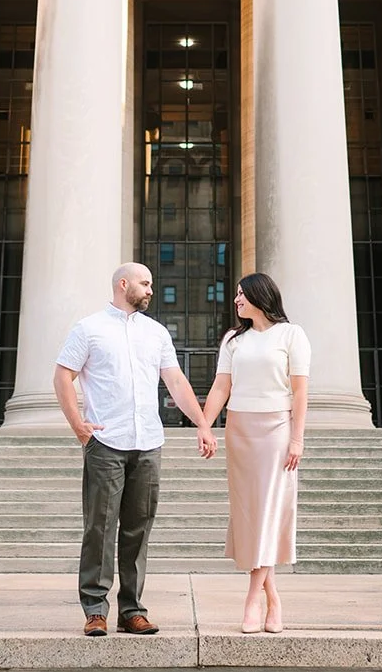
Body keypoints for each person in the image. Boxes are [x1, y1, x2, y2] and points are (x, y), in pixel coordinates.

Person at [54, 262, 217, 638]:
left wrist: (203, 424)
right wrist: (78, 425)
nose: (151, 290)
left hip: (148, 443)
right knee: (100, 527)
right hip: (106, 443)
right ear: (122, 284)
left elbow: (174, 380)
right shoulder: (89, 328)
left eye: (152, 284)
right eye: (145, 283)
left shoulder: (156, 333)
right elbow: (63, 374)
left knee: (138, 531)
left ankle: (131, 610)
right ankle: (95, 610)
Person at [199, 272, 310, 634]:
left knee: (269, 510)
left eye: (242, 294)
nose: (236, 300)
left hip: (277, 429)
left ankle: (253, 598)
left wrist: (297, 439)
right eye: (235, 295)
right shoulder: (233, 339)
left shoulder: (293, 335)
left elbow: (300, 393)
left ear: (261, 296)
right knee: (250, 514)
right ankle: (273, 595)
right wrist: (204, 425)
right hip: (239, 430)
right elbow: (221, 387)